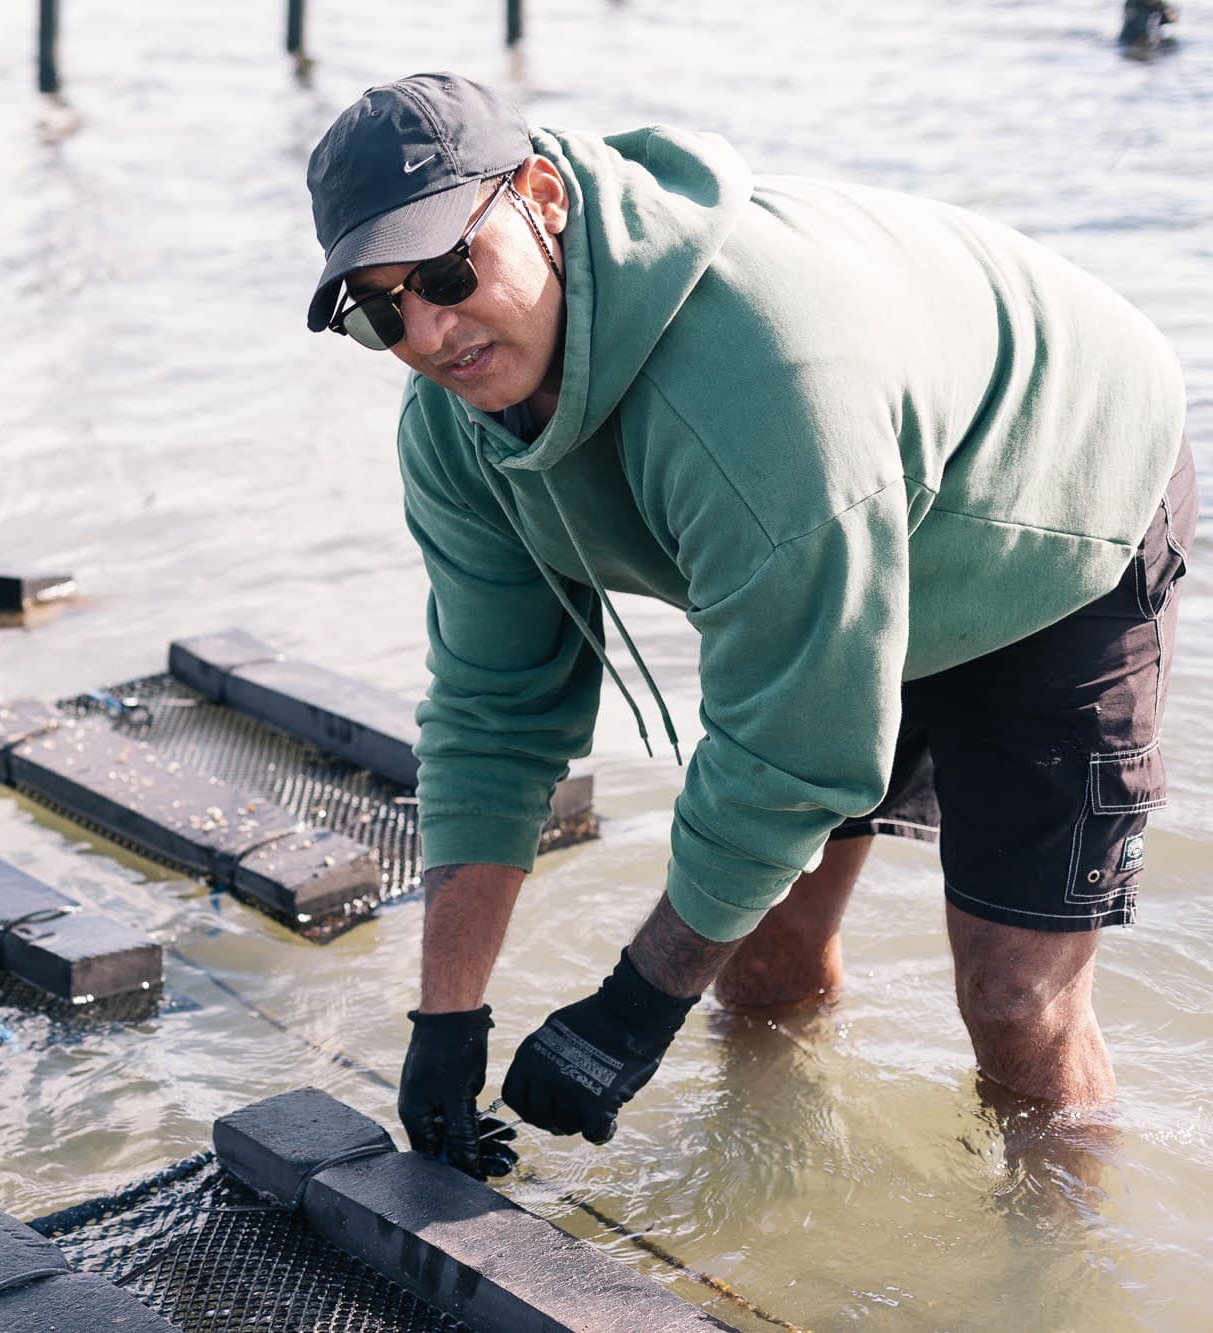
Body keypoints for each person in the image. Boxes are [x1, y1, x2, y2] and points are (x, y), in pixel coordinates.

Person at [302, 73, 1193, 1177]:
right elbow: (492, 712)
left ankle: (1053, 1273)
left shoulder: (757, 378)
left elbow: (786, 751)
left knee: (1012, 999)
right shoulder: (453, 424)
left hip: (1051, 495)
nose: (431, 331)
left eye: (447, 272)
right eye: (382, 311)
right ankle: (771, 1181)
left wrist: (632, 1009)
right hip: (839, 519)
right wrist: (444, 1025)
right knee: (756, 955)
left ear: (542, 196)